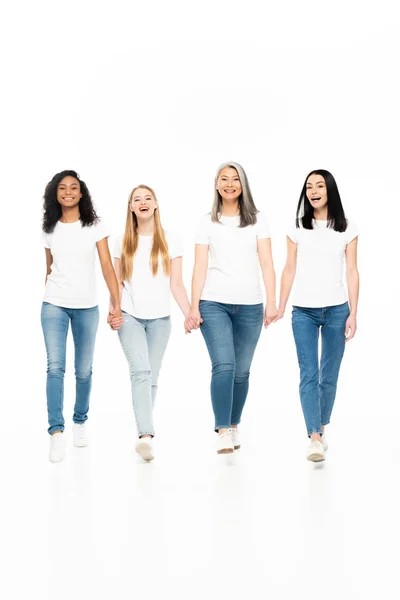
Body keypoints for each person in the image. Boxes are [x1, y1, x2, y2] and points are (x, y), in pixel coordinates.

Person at [185, 162, 277, 454]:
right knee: (223, 364)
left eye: (235, 179)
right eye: (223, 179)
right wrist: (193, 307)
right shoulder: (206, 222)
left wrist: (272, 301)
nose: (229, 184)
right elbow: (199, 268)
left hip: (250, 305)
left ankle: (234, 424)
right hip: (213, 303)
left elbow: (267, 263)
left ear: (243, 185)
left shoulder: (258, 221)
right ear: (216, 184)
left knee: (242, 371)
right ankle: (222, 429)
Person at [276, 169, 359, 462]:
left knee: (330, 374)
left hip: (338, 310)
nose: (313, 191)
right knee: (309, 372)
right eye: (309, 186)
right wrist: (280, 305)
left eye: (319, 185)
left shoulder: (346, 227)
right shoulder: (297, 227)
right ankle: (314, 436)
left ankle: (319, 427)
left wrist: (354, 313)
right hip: (304, 312)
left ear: (329, 190)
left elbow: (352, 270)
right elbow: (289, 269)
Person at [41, 170, 122, 463]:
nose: (68, 192)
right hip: (53, 305)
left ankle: (79, 421)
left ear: (81, 193)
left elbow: (106, 266)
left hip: (87, 306)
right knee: (55, 367)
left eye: (73, 188)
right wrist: (47, 296)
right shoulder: (49, 228)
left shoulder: (94, 226)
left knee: (84, 369)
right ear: (56, 193)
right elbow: (49, 268)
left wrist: (116, 301)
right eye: (62, 188)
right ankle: (56, 432)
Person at [109, 185, 194, 462]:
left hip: (160, 320)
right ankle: (146, 435)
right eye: (137, 199)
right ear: (131, 207)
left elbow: (177, 283)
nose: (143, 202)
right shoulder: (122, 241)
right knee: (141, 372)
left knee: (152, 378)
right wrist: (114, 311)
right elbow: (118, 284)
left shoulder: (171, 239)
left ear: (156, 204)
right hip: (130, 316)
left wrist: (190, 312)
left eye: (148, 198)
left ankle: (143, 433)